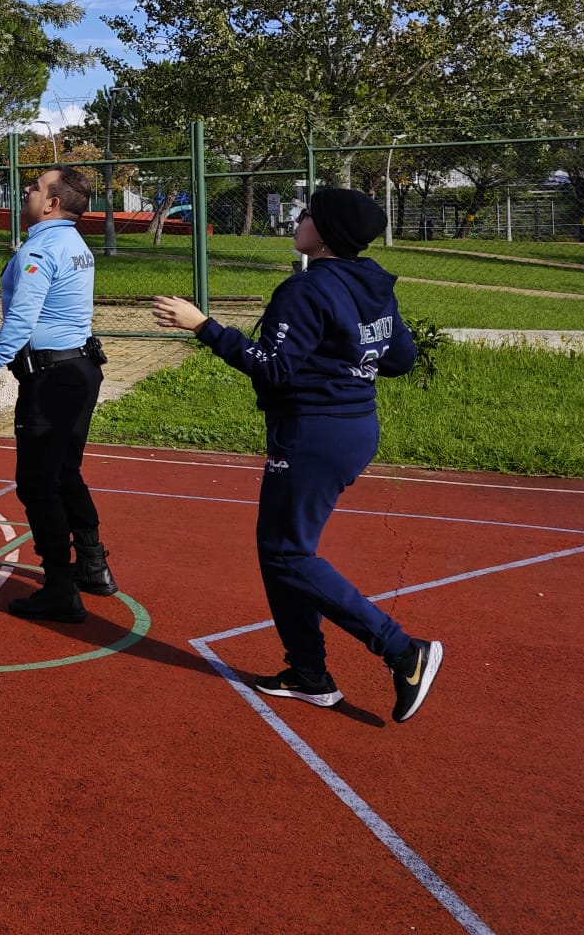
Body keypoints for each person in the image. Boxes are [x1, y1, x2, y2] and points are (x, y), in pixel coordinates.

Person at [151, 186, 444, 724]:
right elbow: (399, 358)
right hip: (354, 427)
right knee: (280, 551)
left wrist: (203, 327)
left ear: (325, 233)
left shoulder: (305, 290)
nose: (299, 218)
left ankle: (403, 650)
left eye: (307, 213)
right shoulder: (373, 283)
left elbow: (273, 366)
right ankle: (308, 673)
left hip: (314, 433)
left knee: (288, 554)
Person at [0, 166, 114, 623]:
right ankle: (93, 566)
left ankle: (58, 586)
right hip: (79, 369)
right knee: (65, 471)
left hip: (53, 379)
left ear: (51, 203)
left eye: (34, 188)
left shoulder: (43, 247)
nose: (27, 192)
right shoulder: (74, 244)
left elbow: (21, 319)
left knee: (36, 483)